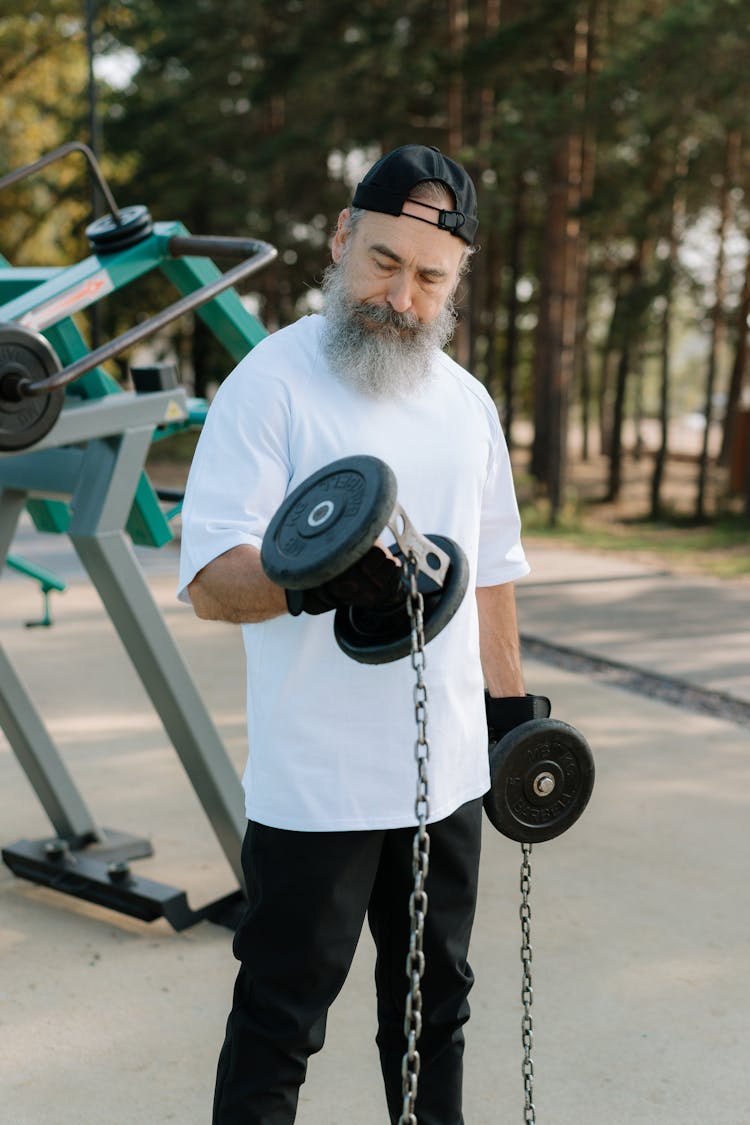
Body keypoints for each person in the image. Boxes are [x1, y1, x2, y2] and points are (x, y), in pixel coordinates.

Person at [178, 144, 538, 1125]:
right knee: (281, 1019)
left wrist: (511, 718)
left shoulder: (467, 403)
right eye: (383, 262)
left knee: (436, 1015)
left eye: (430, 277)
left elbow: (494, 572)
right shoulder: (274, 381)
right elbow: (212, 579)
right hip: (318, 782)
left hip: (450, 777)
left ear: (456, 280)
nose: (402, 297)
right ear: (341, 241)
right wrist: (313, 590)